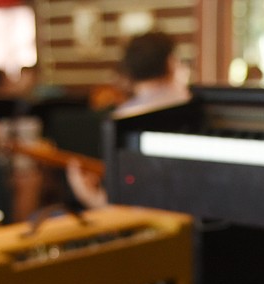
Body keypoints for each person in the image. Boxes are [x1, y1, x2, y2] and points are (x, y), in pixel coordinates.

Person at [66, 31, 190, 209]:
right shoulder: (188, 104)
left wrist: (90, 196)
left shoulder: (119, 119)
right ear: (170, 62)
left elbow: (125, 206)